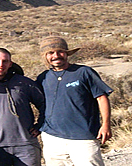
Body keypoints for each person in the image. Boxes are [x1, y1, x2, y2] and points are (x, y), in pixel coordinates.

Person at [36, 36, 113, 166]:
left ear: (67, 53)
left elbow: (101, 97)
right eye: (50, 53)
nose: (56, 55)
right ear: (45, 56)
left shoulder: (83, 72)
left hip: (83, 136)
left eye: (60, 51)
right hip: (52, 137)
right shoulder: (43, 77)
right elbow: (39, 102)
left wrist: (106, 124)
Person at [0, 48, 45, 166]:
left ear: (10, 64)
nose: (0, 64)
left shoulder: (25, 83)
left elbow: (44, 104)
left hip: (26, 146)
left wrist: (40, 125)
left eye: (4, 61)